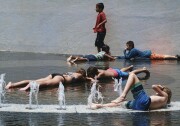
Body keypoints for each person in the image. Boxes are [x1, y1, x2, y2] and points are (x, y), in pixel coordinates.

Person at [91, 73, 172, 111]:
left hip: (144, 101)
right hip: (141, 106)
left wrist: (160, 87)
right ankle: (99, 106)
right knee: (120, 104)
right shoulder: (163, 103)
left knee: (132, 75)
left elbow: (153, 86)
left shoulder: (165, 95)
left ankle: (122, 96)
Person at [5, 68, 86, 91]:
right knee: (47, 84)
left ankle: (12, 85)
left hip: (56, 75)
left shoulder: (71, 72)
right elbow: (86, 78)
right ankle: (30, 86)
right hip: (61, 78)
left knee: (35, 80)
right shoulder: (80, 75)